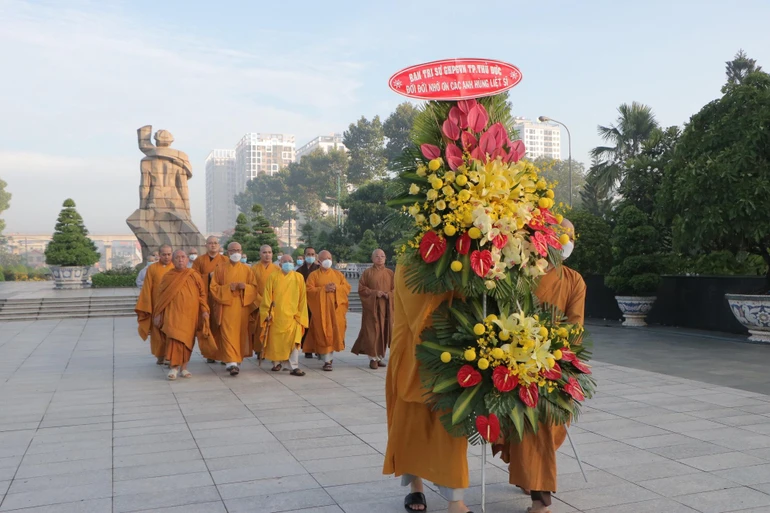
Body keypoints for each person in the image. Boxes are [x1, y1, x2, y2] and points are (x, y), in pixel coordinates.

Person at [493, 218, 586, 513]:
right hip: (516, 357)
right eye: (558, 239)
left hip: (554, 361)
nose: (562, 245)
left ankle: (530, 474)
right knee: (535, 426)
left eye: (567, 239)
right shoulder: (522, 272)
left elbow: (576, 325)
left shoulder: (574, 281)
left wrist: (558, 351)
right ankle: (539, 499)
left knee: (554, 424)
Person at [383, 265, 471, 513]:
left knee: (451, 428)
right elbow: (419, 313)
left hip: (451, 352)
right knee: (411, 427)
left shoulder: (457, 254)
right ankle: (416, 488)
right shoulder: (410, 260)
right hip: (414, 352)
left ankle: (456, 500)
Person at [153, 250, 209, 380]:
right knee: (173, 339)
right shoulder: (168, 276)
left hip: (190, 315)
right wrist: (158, 314)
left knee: (187, 341)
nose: (180, 260)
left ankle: (184, 367)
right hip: (173, 314)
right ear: (173, 260)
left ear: (187, 259)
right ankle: (174, 368)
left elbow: (202, 294)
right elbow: (161, 297)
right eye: (177, 257)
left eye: (183, 257)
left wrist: (205, 310)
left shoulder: (194, 275)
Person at [209, 242, 259, 376]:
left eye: (238, 250)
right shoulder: (220, 268)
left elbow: (254, 288)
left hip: (242, 306)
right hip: (226, 306)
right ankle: (231, 363)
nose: (236, 252)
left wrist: (246, 288)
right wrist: (227, 288)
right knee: (227, 332)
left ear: (241, 251)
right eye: (233, 250)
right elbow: (213, 288)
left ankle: (236, 359)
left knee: (240, 333)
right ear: (227, 252)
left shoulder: (247, 269)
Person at [259, 254, 308, 377]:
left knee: (293, 342)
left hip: (293, 316)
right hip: (277, 316)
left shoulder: (299, 277)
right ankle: (277, 363)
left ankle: (294, 366)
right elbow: (267, 296)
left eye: (290, 261)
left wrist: (300, 315)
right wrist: (267, 313)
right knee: (276, 342)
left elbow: (303, 298)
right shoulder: (273, 277)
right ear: (279, 264)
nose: (288, 263)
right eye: (285, 261)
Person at [303, 250, 350, 371]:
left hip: (336, 311)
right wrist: (323, 289)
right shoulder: (313, 275)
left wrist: (336, 288)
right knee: (322, 333)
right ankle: (327, 360)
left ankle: (328, 358)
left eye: (329, 258)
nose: (327, 260)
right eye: (324, 259)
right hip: (321, 311)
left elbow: (346, 288)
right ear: (319, 261)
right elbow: (308, 290)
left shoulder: (338, 275)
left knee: (333, 333)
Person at [351, 249, 394, 369]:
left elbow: (396, 289)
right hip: (372, 308)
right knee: (372, 333)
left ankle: (380, 357)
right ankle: (372, 358)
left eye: (382, 256)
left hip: (386, 308)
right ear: (372, 258)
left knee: (383, 332)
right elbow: (361, 289)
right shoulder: (367, 273)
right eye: (377, 256)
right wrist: (375, 293)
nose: (380, 258)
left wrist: (389, 294)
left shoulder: (390, 273)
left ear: (385, 258)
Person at [191, 236, 229, 363]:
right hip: (206, 298)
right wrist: (208, 276)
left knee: (223, 326)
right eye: (210, 243)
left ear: (219, 245)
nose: (213, 245)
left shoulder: (225, 260)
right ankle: (211, 354)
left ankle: (224, 354)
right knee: (208, 325)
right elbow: (193, 278)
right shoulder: (199, 261)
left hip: (222, 298)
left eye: (215, 243)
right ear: (206, 245)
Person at [135, 245, 174, 365]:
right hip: (156, 305)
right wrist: (147, 306)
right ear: (159, 255)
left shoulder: (175, 268)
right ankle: (160, 355)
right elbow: (147, 288)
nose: (166, 257)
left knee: (171, 331)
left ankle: (170, 355)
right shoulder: (152, 269)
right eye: (164, 254)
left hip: (172, 306)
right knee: (157, 333)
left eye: (169, 254)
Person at [250, 245, 281, 357]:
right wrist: (261, 301)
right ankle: (259, 350)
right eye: (264, 252)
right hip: (259, 303)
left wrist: (272, 301)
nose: (267, 254)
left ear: (272, 254)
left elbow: (279, 288)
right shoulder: (254, 269)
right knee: (259, 328)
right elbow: (251, 287)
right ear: (260, 254)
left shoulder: (278, 269)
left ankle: (270, 350)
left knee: (272, 328)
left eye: (269, 252)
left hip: (273, 303)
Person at [296, 247, 320, 358]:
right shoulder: (299, 271)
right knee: (306, 325)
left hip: (316, 301)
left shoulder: (319, 269)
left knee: (317, 325)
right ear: (305, 255)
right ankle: (307, 349)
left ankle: (318, 348)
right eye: (308, 254)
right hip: (304, 301)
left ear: (315, 255)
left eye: (312, 254)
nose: (310, 256)